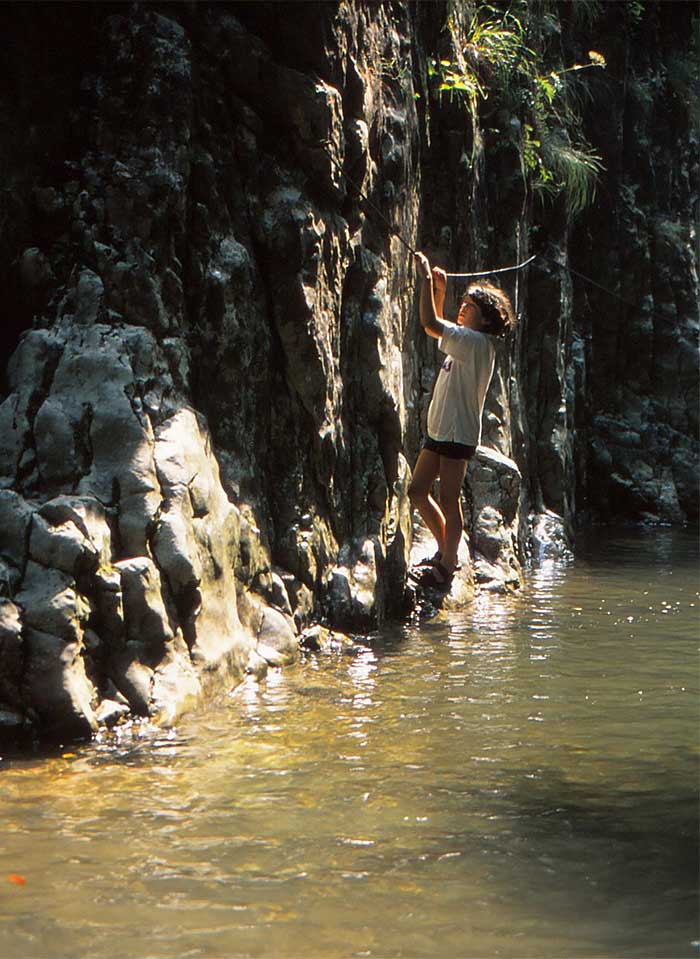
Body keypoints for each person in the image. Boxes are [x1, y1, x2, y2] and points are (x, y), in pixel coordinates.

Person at [409, 251, 516, 589]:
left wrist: (425, 280)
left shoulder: (476, 343)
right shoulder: (467, 342)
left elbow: (430, 324)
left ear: (484, 319)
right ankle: (446, 553)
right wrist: (439, 292)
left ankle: (448, 562)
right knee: (417, 491)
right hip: (441, 430)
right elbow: (439, 328)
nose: (462, 308)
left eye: (468, 307)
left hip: (457, 434)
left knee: (448, 497)